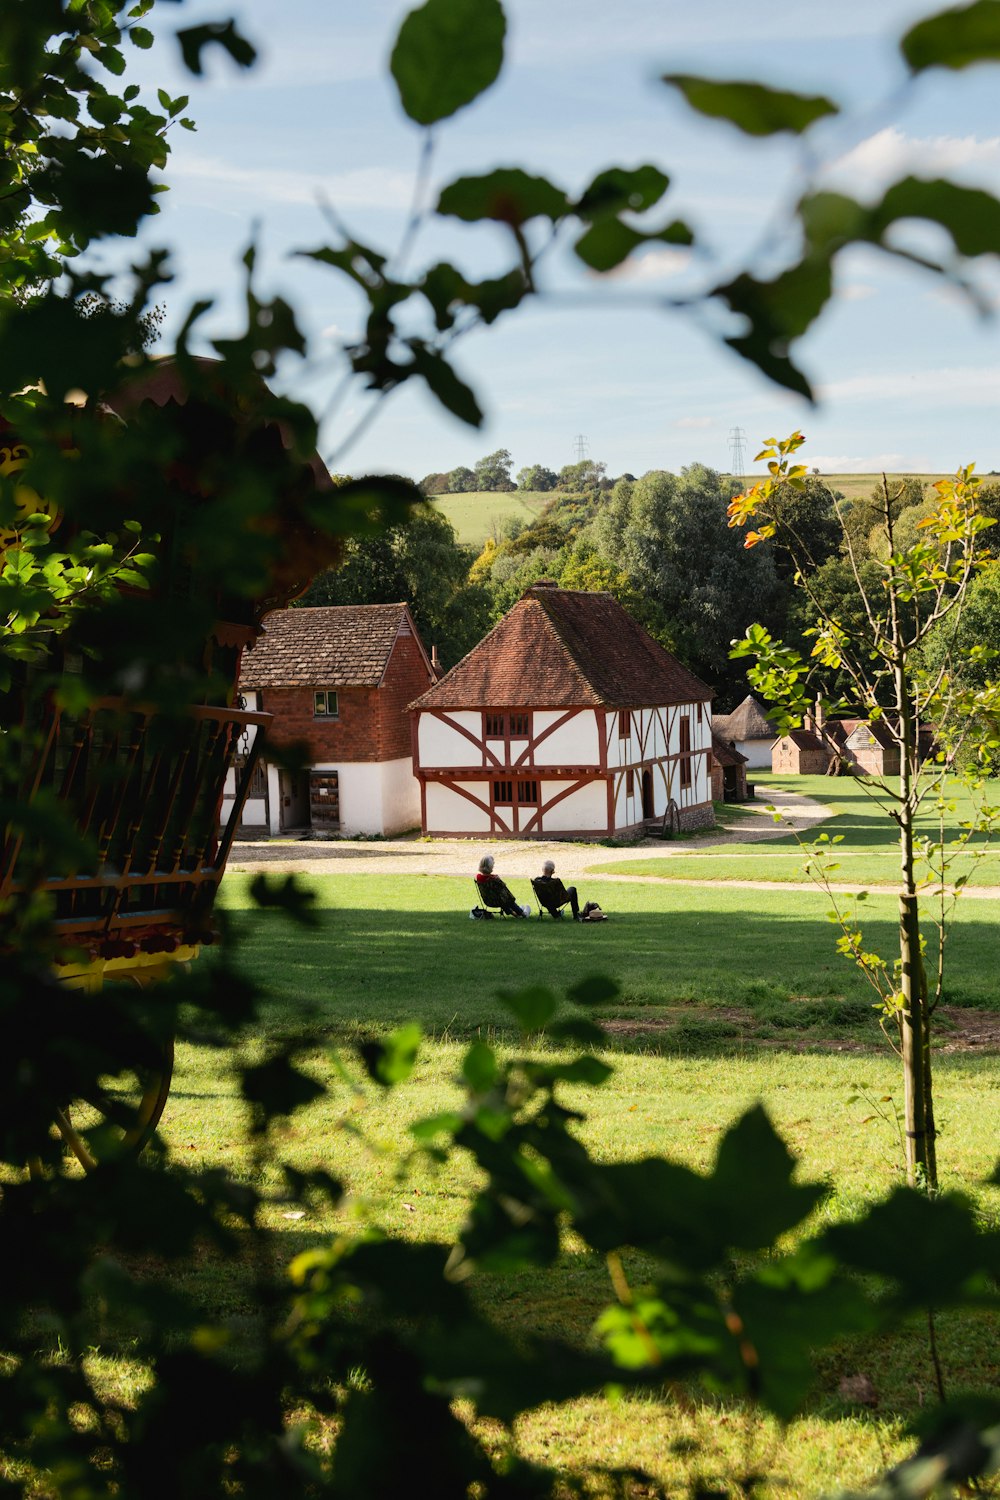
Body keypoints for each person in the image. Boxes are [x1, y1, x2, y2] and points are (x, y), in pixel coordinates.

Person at [535, 859, 604, 921]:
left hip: (544, 902)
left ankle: (555, 914)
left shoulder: (536, 881)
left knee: (548, 898)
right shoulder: (554, 882)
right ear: (552, 871)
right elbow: (562, 894)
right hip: (556, 902)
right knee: (572, 889)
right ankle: (575, 914)